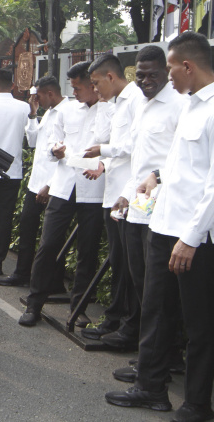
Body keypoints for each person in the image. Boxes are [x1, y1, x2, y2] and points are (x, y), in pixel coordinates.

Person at [106, 33, 214, 421]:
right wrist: (155, 174)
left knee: (199, 323)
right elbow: (180, 164)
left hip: (194, 235)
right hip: (164, 225)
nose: (166, 75)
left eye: (169, 67)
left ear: (186, 66)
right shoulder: (192, 106)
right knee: (156, 308)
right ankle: (152, 388)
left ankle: (197, 403)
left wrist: (191, 237)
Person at [102, 46, 185, 388]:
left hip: (162, 214)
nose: (146, 81)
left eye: (154, 74)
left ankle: (160, 361)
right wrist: (126, 192)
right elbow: (138, 156)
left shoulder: (179, 106)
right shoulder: (143, 104)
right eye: (142, 74)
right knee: (143, 287)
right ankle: (155, 357)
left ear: (166, 72)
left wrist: (156, 178)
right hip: (137, 209)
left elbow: (179, 160)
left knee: (158, 295)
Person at [19, 61, 109, 329]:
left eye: (78, 87)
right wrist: (56, 149)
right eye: (72, 87)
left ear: (93, 84)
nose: (75, 92)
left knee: (87, 250)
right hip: (63, 185)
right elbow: (50, 142)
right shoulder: (67, 110)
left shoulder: (110, 111)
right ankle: (35, 303)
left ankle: (79, 308)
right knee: (47, 245)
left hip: (93, 189)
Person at [81, 54, 142, 349]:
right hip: (114, 192)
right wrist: (103, 161)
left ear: (110, 77)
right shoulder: (117, 103)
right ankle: (115, 318)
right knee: (118, 261)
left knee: (129, 265)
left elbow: (133, 145)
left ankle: (126, 324)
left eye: (96, 83)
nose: (95, 91)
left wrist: (102, 150)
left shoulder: (135, 100)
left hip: (128, 196)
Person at [0, 76, 67, 287]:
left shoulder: (66, 113)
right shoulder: (47, 113)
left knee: (51, 236)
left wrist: (51, 184)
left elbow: (64, 155)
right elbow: (33, 141)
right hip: (36, 182)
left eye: (38, 97)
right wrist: (33, 114)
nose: (35, 100)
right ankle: (22, 273)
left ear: (49, 93)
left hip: (52, 185)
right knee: (27, 228)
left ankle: (52, 281)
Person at [0, 68, 31, 275]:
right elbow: (32, 139)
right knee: (5, 217)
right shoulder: (24, 107)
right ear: (12, 85)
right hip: (12, 171)